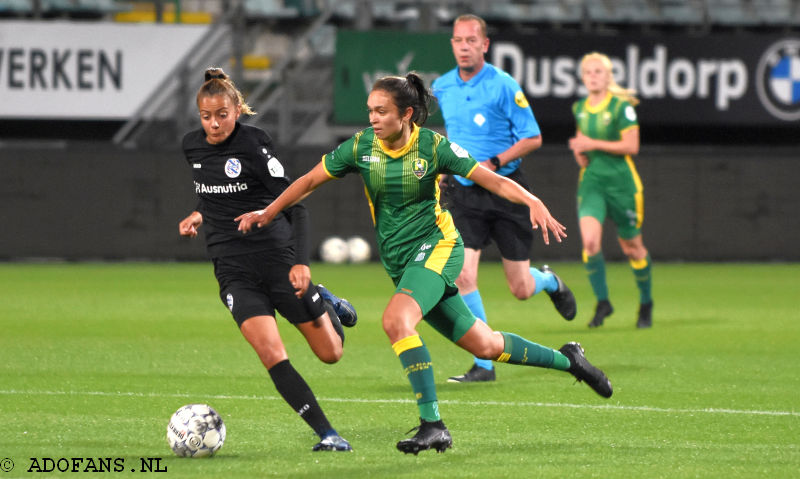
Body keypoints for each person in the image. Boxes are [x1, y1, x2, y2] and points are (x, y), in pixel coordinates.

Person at [236, 73, 613, 454]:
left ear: (407, 114)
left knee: (396, 321)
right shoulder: (361, 147)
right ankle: (570, 361)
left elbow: (490, 179)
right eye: (370, 111)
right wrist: (269, 212)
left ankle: (432, 424)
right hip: (402, 263)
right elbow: (308, 181)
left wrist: (531, 200)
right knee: (485, 345)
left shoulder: (433, 147)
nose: (373, 119)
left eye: (382, 111)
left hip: (438, 247)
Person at [177, 67, 357, 452]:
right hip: (233, 270)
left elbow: (296, 206)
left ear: (236, 110)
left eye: (221, 115)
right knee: (271, 353)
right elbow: (214, 193)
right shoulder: (191, 146)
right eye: (206, 117)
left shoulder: (254, 144)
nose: (213, 124)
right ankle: (327, 433)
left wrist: (301, 262)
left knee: (331, 354)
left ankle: (323, 299)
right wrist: (199, 213)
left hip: (278, 260)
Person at [432, 14, 577, 383]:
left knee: (520, 288)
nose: (463, 47)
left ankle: (550, 282)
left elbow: (533, 137)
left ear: (484, 45)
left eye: (470, 41)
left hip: (506, 190)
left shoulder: (503, 84)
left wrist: (493, 162)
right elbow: (454, 136)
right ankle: (484, 364)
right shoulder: (443, 86)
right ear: (452, 44)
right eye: (457, 40)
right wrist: (446, 170)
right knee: (463, 275)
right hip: (464, 194)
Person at [568, 52, 653, 329]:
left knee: (632, 247)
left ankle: (645, 302)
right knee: (590, 243)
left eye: (598, 72)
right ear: (582, 77)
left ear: (608, 77)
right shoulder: (579, 107)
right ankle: (603, 302)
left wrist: (591, 143)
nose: (593, 76)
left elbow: (632, 146)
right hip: (592, 183)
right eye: (588, 72)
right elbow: (586, 152)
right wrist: (580, 154)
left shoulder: (621, 108)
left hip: (622, 185)